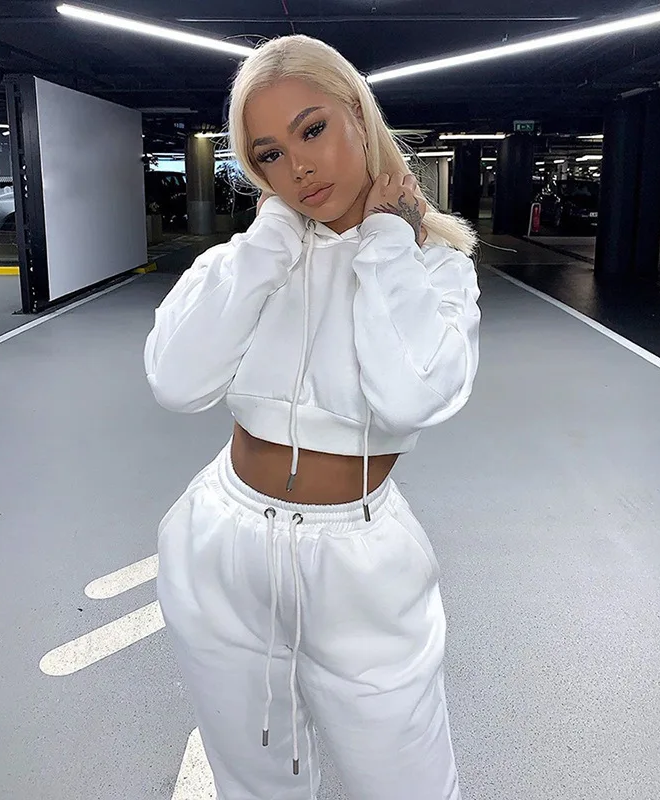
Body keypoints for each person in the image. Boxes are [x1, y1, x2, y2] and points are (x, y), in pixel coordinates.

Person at [144, 34, 481, 800]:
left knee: (406, 783)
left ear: (358, 114)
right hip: (221, 538)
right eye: (268, 154)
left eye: (312, 129)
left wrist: (389, 239)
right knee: (253, 779)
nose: (296, 167)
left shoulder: (433, 268)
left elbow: (409, 396)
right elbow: (176, 381)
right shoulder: (248, 260)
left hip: (355, 558)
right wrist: (268, 240)